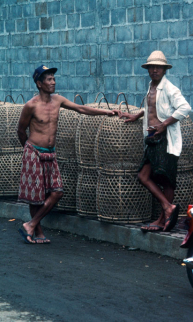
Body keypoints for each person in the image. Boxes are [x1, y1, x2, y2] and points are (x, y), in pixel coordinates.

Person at [16, 65, 120, 244]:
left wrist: (107, 112)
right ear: (39, 84)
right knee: (36, 197)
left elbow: (81, 109)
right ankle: (38, 233)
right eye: (49, 79)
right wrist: (29, 151)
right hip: (33, 152)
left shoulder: (58, 100)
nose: (53, 82)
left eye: (54, 79)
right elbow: (20, 130)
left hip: (50, 153)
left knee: (57, 192)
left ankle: (30, 224)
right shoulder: (30, 106)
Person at [120, 51, 191, 232]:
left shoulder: (169, 88)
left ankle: (162, 219)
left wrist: (164, 124)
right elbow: (151, 108)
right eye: (152, 67)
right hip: (152, 139)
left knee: (166, 180)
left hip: (165, 140)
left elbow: (185, 108)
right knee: (143, 176)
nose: (154, 70)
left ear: (164, 69)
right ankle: (167, 208)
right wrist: (136, 115)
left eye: (158, 67)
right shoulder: (152, 86)